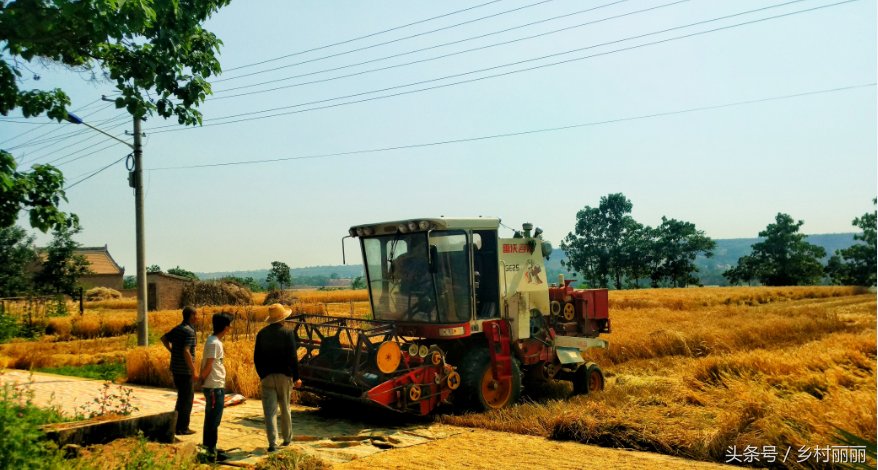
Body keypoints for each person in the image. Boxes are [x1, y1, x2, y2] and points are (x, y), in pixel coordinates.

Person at [254, 303, 301, 453]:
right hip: (284, 376)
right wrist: (296, 377)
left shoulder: (261, 334)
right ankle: (287, 439)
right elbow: (293, 357)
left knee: (270, 411)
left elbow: (257, 358)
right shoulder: (288, 333)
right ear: (283, 318)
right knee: (285, 408)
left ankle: (272, 443)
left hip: (267, 377)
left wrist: (263, 375)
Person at [197, 312, 234, 462]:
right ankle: (210, 452)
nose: (230, 328)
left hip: (215, 385)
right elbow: (209, 364)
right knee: (213, 420)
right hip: (213, 386)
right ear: (226, 327)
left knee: (213, 419)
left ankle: (210, 448)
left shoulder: (214, 341)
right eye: (229, 325)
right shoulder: (214, 343)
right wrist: (202, 380)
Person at [160, 305, 197, 435]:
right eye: (195, 315)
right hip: (185, 371)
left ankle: (176, 425)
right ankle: (183, 428)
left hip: (175, 368)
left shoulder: (177, 329)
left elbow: (164, 338)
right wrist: (193, 369)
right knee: (187, 399)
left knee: (181, 398)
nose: (197, 317)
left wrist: (172, 351)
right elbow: (186, 351)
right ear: (191, 316)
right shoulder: (189, 332)